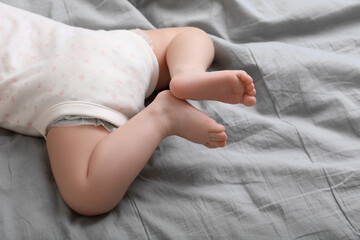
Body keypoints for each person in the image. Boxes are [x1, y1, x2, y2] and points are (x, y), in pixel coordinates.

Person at [0, 3, 256, 216]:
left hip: (66, 86)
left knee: (88, 194)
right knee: (190, 35)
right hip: (110, 47)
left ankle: (163, 116)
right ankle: (187, 72)